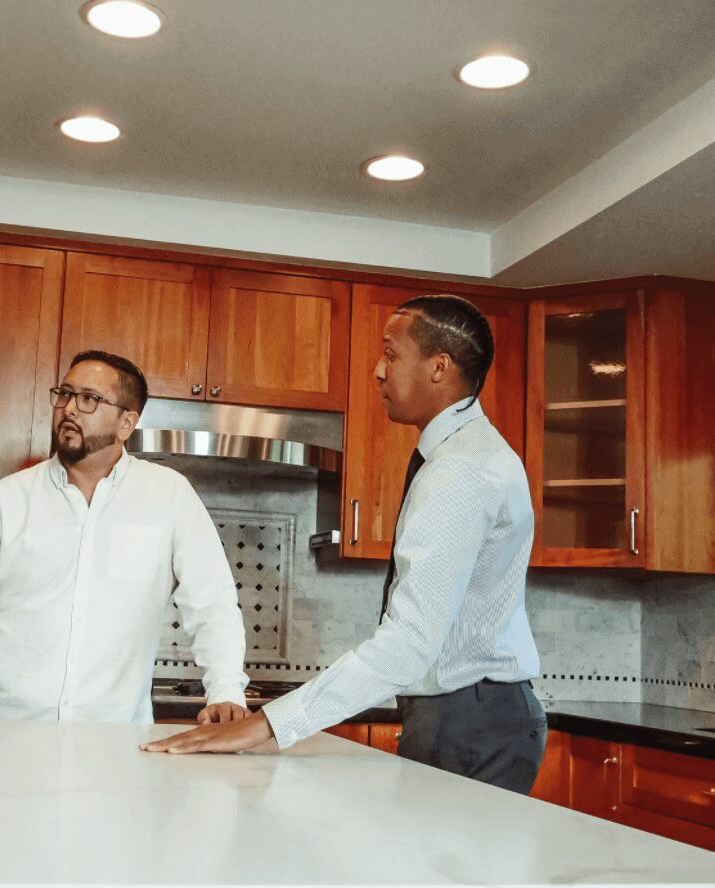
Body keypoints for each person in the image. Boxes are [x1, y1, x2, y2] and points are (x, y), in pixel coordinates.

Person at [142, 295, 547, 796]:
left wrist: (265, 724)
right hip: (468, 715)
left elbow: (409, 644)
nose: (378, 370)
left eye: (392, 354)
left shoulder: (461, 472)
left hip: (472, 721)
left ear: (439, 367)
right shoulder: (461, 457)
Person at [0, 350, 248, 736]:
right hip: (1, 730)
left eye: (89, 399)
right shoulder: (8, 498)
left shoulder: (169, 495)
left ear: (126, 423)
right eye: (64, 394)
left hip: (113, 739)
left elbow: (212, 603)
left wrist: (226, 690)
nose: (69, 409)